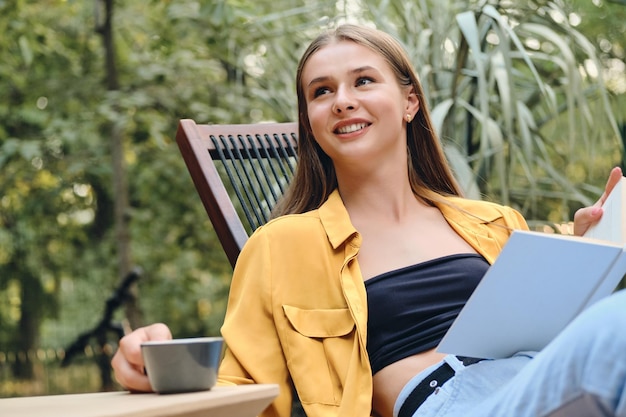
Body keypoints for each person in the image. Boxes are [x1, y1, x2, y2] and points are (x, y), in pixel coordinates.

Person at [112, 24, 626, 417]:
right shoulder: (281, 246)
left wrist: (589, 256)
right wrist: (159, 371)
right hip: (451, 401)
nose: (343, 101)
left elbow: (552, 339)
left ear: (409, 102)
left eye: (362, 80)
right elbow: (247, 392)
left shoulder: (494, 222)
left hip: (540, 383)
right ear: (310, 123)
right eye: (321, 91)